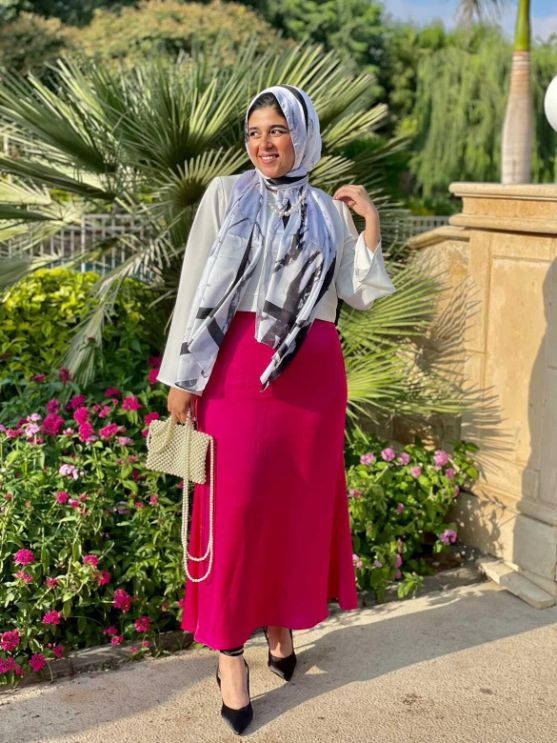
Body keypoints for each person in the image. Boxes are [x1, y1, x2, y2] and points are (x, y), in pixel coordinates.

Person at [156, 84, 396, 735]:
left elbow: (357, 293)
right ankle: (229, 653)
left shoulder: (325, 210)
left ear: (302, 136)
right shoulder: (226, 196)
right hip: (235, 370)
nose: (264, 143)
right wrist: (182, 376)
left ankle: (280, 623)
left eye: (278, 130)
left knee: (291, 511)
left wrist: (368, 224)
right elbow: (195, 287)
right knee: (233, 510)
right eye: (255, 131)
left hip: (311, 378)